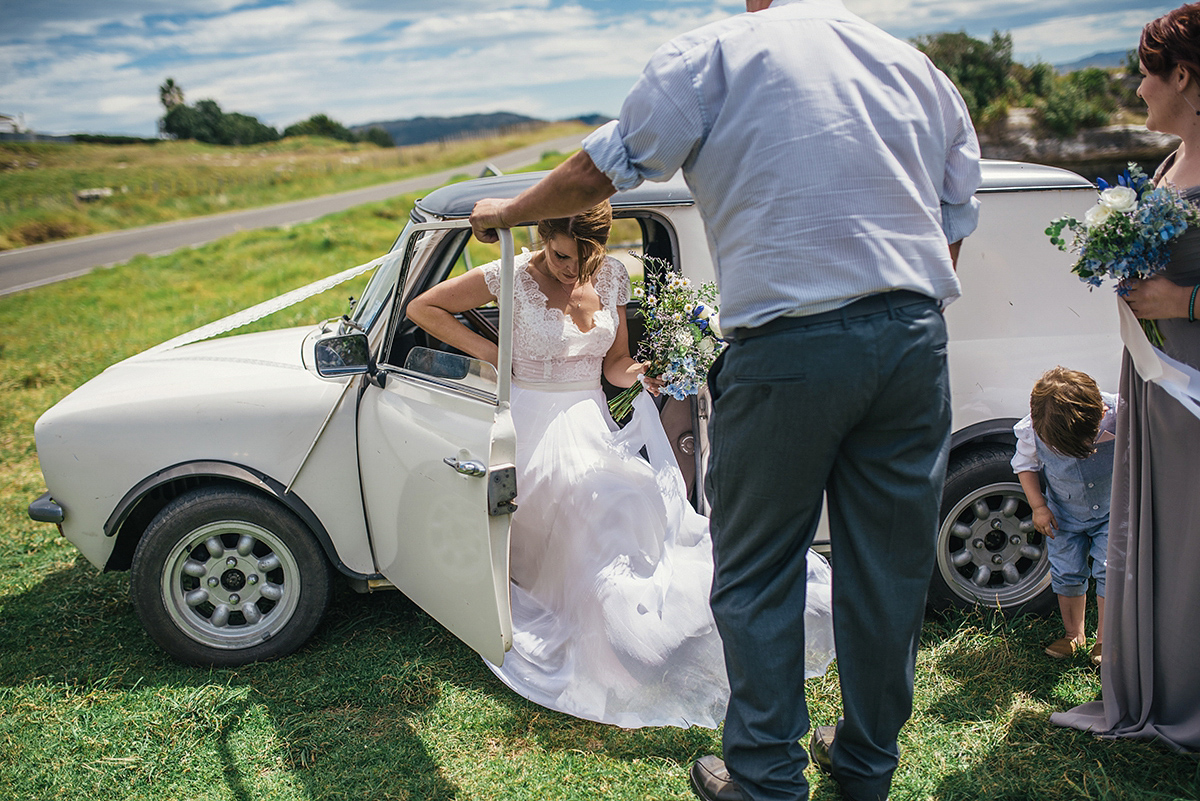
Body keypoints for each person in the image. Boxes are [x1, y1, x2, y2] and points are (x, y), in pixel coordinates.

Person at [467, 1, 981, 797]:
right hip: (914, 341)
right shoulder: (916, 68)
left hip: (789, 347)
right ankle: (866, 763)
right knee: (890, 567)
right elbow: (954, 218)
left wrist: (510, 210)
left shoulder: (712, 55)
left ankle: (768, 777)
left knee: (758, 566)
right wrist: (897, 316)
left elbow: (604, 166)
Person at [407, 202, 836, 729]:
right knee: (598, 502)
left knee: (636, 496)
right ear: (545, 235)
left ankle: (641, 631)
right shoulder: (511, 274)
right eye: (564, 256)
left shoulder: (609, 275)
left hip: (592, 419)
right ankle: (610, 646)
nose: (574, 270)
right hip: (535, 423)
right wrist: (497, 356)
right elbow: (423, 308)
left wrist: (645, 374)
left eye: (586, 259)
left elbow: (613, 363)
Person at [1051, 4, 1200, 753]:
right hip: (1150, 373)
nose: (1138, 89)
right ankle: (1151, 681)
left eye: (1146, 73)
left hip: (1191, 381)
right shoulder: (1172, 162)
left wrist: (1185, 298)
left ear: (1184, 75)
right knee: (1153, 523)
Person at [1011, 367, 1117, 666]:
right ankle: (1074, 635)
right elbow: (1025, 466)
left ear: (1100, 411)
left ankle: (1105, 639)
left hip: (1113, 511)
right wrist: (1038, 507)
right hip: (1063, 516)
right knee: (1066, 571)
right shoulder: (1034, 429)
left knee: (1110, 570)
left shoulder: (1121, 413)